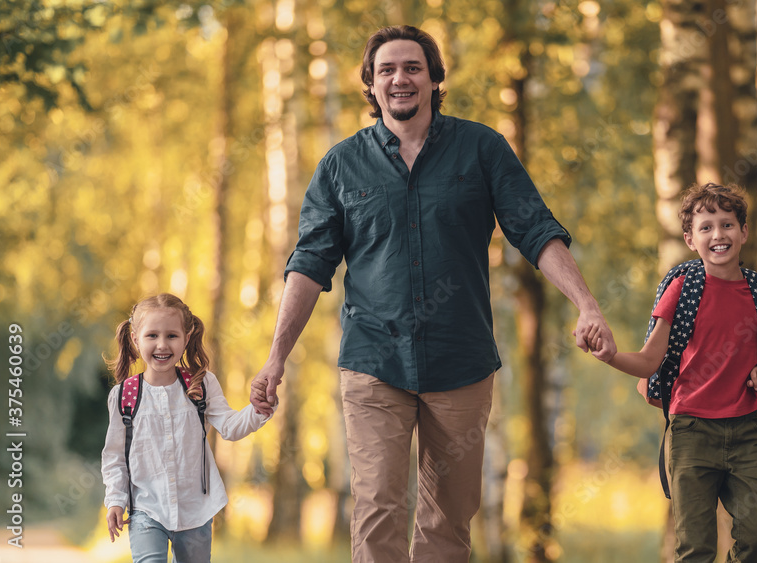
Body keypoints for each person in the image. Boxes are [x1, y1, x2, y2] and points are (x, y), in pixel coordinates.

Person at [248, 24, 614, 563]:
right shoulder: (341, 165)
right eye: (386, 70)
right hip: (374, 361)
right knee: (378, 506)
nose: (400, 79)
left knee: (449, 516)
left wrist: (587, 303)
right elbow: (308, 264)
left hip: (460, 360)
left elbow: (534, 229)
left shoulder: (481, 148)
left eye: (413, 67)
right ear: (370, 86)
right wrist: (275, 358)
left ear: (435, 79)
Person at [589, 182, 757, 562]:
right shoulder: (683, 289)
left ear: (744, 232)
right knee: (695, 548)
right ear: (690, 239)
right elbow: (649, 361)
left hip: (747, 430)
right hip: (692, 431)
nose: (718, 235)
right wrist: (609, 355)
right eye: (706, 227)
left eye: (727, 225)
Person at [102, 293, 274, 563]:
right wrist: (115, 499)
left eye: (172, 336)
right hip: (147, 510)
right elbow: (114, 457)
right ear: (135, 339)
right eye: (152, 336)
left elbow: (230, 427)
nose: (162, 344)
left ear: (186, 337)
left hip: (196, 511)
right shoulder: (125, 395)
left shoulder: (201, 384)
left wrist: (258, 409)